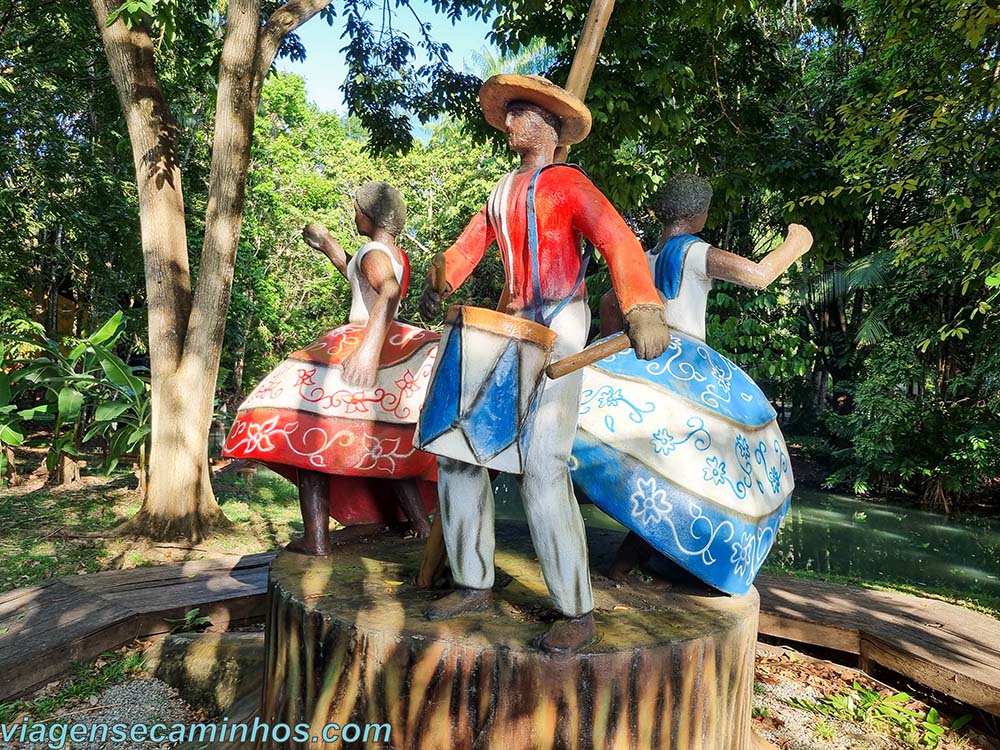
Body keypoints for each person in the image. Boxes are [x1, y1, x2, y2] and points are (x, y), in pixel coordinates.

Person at [418, 74, 671, 654]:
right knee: (458, 456)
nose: (509, 124)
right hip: (504, 327)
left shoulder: (570, 184)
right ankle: (472, 581)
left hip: (560, 326)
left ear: (550, 128)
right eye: (509, 115)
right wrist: (442, 275)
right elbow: (469, 245)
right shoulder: (500, 190)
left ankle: (576, 610)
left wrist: (641, 305)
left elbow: (617, 241)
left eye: (521, 113)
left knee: (543, 467)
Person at [578, 173, 814, 592]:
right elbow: (759, 275)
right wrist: (797, 242)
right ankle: (636, 564)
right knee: (701, 466)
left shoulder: (644, 256)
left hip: (633, 350)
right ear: (697, 215)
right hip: (682, 360)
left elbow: (610, 302)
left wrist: (611, 341)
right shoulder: (694, 251)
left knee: (661, 461)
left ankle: (631, 560)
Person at [223, 181, 438, 555]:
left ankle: (317, 539)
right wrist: (327, 246)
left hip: (362, 342)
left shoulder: (374, 253)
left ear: (368, 215)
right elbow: (361, 280)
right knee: (386, 441)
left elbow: (385, 292)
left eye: (356, 209)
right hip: (385, 342)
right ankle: (419, 525)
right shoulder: (393, 253)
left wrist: (368, 351)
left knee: (303, 426)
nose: (353, 214)